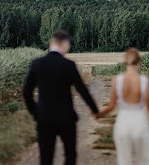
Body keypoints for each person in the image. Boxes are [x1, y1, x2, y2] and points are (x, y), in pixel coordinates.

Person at [23, 30, 99, 165]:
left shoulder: (37, 63)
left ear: (51, 43)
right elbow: (81, 90)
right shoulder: (68, 65)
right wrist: (94, 109)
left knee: (46, 158)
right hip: (66, 118)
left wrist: (35, 112)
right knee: (70, 156)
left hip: (44, 118)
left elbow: (26, 92)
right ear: (64, 44)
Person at [95, 48, 149, 165]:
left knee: (124, 161)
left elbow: (111, 106)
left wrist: (99, 114)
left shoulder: (117, 80)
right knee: (144, 161)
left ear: (125, 62)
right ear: (139, 62)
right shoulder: (144, 81)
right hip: (140, 124)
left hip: (123, 124)